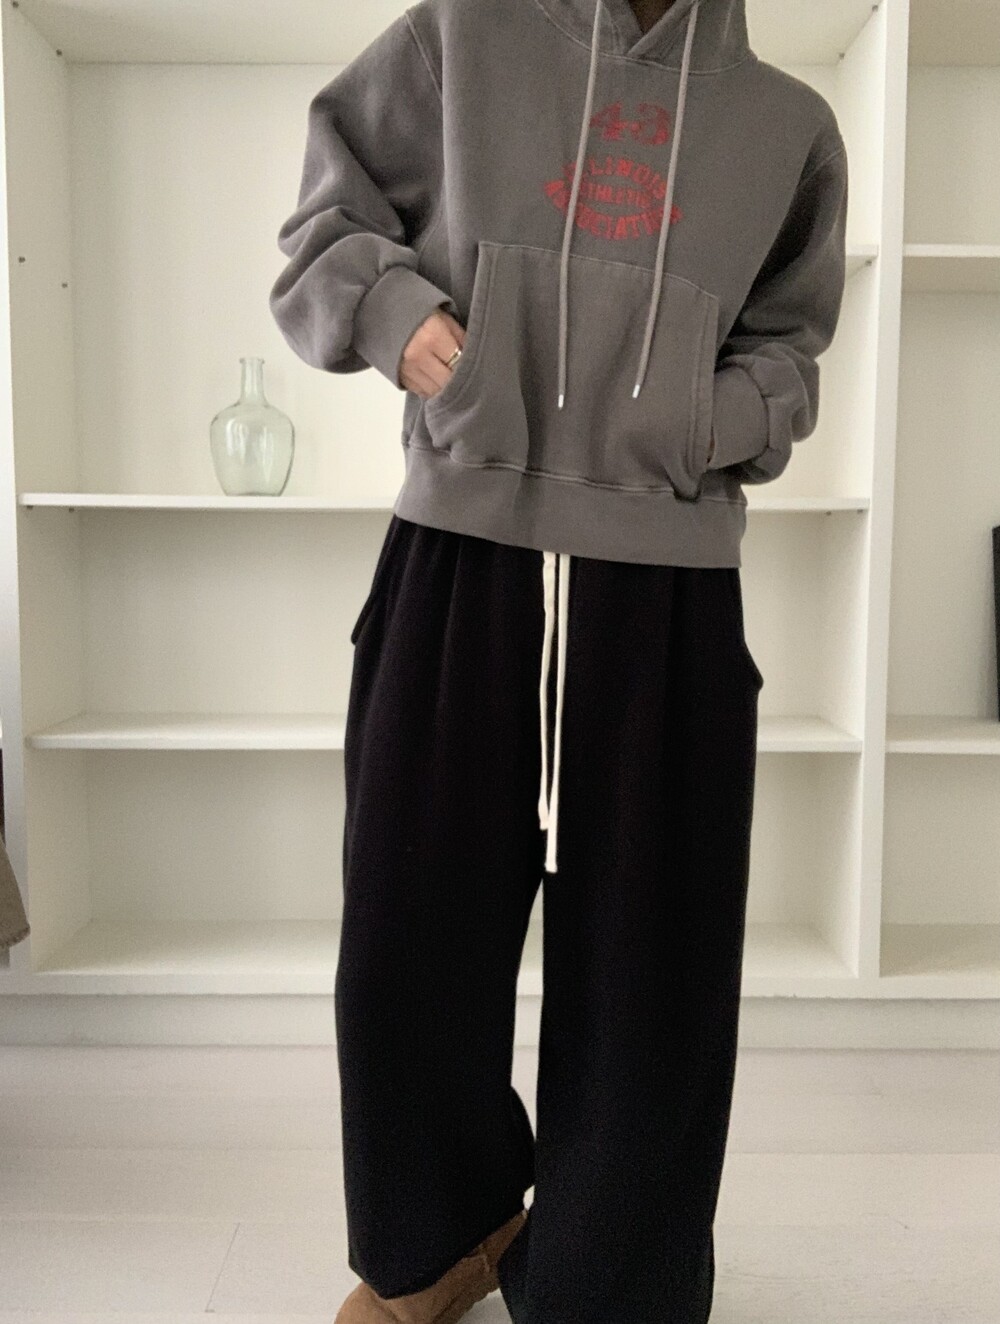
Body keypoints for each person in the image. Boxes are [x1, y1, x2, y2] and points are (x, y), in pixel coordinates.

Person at [269, 0, 848, 1318]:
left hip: (668, 587)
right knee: (408, 934)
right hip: (460, 553)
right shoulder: (459, 38)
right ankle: (442, 1235)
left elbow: (791, 345)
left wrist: (710, 412)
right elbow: (326, 224)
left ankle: (611, 1287)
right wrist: (396, 312)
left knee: (655, 966)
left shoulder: (789, 129)